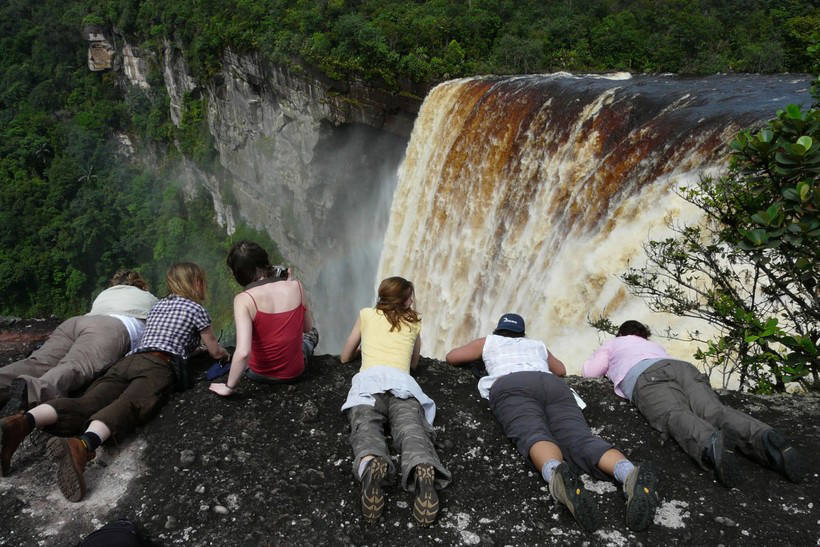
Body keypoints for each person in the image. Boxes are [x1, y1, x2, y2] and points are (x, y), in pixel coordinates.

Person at [0, 263, 229, 502]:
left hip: (128, 361)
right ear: (197, 283)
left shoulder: (159, 305)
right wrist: (223, 354)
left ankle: (21, 422)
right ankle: (83, 445)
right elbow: (213, 350)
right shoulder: (196, 309)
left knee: (88, 401)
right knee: (130, 403)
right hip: (158, 365)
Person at [446, 313, 658, 532]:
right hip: (552, 385)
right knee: (581, 438)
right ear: (522, 333)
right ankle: (628, 472)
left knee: (533, 433)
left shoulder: (488, 341)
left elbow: (452, 357)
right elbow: (561, 370)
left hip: (512, 383)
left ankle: (557, 474)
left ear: (499, 330)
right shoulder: (537, 345)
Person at [582, 320, 804, 487]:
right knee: (714, 410)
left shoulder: (614, 343)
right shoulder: (655, 346)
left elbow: (590, 372)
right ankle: (765, 438)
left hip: (646, 376)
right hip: (683, 367)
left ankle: (709, 446)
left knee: (674, 413)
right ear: (644, 335)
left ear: (621, 333)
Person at [339, 276, 451, 525]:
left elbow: (345, 356)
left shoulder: (366, 314)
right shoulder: (414, 322)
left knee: (365, 429)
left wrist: (364, 348)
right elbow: (413, 363)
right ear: (404, 300)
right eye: (410, 296)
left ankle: (371, 463)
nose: (413, 300)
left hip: (369, 386)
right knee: (412, 431)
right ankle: (421, 467)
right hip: (403, 386)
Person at [0, 270, 158, 416]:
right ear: (141, 285)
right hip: (110, 328)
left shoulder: (105, 294)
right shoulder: (150, 298)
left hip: (77, 322)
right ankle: (34, 391)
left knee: (39, 362)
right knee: (76, 365)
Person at [209, 241, 319, 397]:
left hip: (258, 374)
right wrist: (290, 283)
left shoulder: (243, 299)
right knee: (311, 336)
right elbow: (307, 328)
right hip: (296, 372)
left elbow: (243, 352)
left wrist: (229, 387)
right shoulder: (297, 286)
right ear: (266, 263)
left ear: (238, 273)